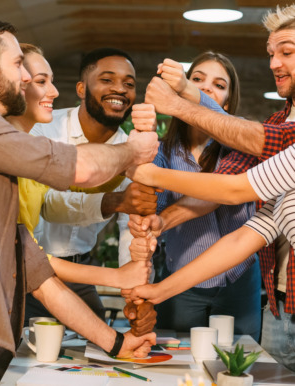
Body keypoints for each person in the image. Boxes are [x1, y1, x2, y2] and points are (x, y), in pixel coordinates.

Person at [126, 4, 295, 371]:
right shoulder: (278, 124)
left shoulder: (265, 139)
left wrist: (180, 98)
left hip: (242, 284)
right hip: (271, 302)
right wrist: (158, 285)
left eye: (287, 52)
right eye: (271, 54)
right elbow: (244, 228)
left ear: (230, 98)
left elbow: (232, 189)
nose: (274, 64)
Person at [0, 20, 157, 383]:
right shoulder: (16, 137)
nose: (51, 89)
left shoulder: (14, 155)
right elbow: (79, 168)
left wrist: (117, 343)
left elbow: (34, 265)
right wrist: (134, 150)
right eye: (21, 67)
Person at [124, 142, 295, 371]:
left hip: (245, 283)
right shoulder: (287, 160)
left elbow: (233, 190)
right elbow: (240, 241)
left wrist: (154, 175)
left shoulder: (261, 143)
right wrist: (159, 291)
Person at [27, 47, 157, 326]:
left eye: (129, 84)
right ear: (81, 88)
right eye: (107, 80)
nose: (120, 89)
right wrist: (114, 201)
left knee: (96, 350)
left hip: (82, 269)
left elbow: (130, 230)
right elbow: (49, 203)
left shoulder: (135, 149)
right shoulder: (43, 128)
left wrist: (135, 296)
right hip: (29, 266)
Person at [140, 52, 261, 337]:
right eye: (197, 80)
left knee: (239, 360)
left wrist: (186, 89)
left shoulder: (241, 143)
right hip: (183, 280)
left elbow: (221, 191)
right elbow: (152, 206)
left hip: (239, 278)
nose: (206, 88)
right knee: (180, 360)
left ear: (227, 103)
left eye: (219, 85)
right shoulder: (164, 150)